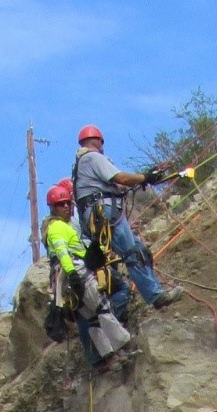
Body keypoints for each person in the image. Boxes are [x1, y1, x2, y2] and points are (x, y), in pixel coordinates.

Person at [73, 124, 184, 311]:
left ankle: (155, 290)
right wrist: (144, 177)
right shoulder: (93, 158)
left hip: (97, 216)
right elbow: (121, 178)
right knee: (132, 252)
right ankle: (155, 295)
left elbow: (118, 186)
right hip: (105, 213)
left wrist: (146, 177)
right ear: (99, 141)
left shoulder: (81, 166)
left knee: (139, 249)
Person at [43, 183, 135, 371]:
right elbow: (63, 253)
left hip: (69, 277)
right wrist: (73, 274)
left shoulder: (60, 226)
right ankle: (124, 344)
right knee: (102, 307)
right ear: (53, 208)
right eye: (61, 204)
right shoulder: (57, 228)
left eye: (68, 203)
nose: (67, 207)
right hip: (76, 272)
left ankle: (109, 357)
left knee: (92, 317)